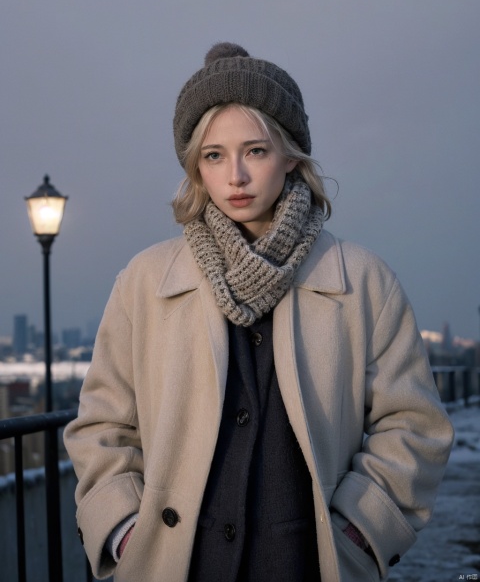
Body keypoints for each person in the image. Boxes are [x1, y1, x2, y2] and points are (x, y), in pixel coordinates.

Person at [64, 42, 454, 582]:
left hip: (308, 566)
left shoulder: (363, 281)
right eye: (214, 155)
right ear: (196, 165)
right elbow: (102, 426)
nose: (236, 177)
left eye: (256, 150)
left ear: (292, 155)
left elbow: (414, 424)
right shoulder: (145, 282)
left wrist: (360, 533)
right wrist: (128, 530)